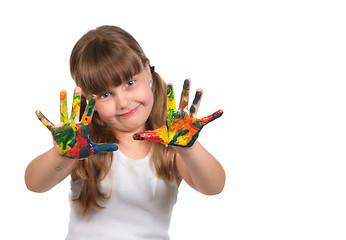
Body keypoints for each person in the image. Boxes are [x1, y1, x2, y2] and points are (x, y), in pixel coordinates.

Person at [25, 25, 225, 240]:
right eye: (105, 94)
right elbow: (35, 184)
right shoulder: (84, 144)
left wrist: (190, 148)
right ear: (87, 99)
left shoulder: (172, 143)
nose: (123, 102)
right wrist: (60, 154)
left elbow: (213, 187)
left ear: (147, 72)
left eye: (130, 83)